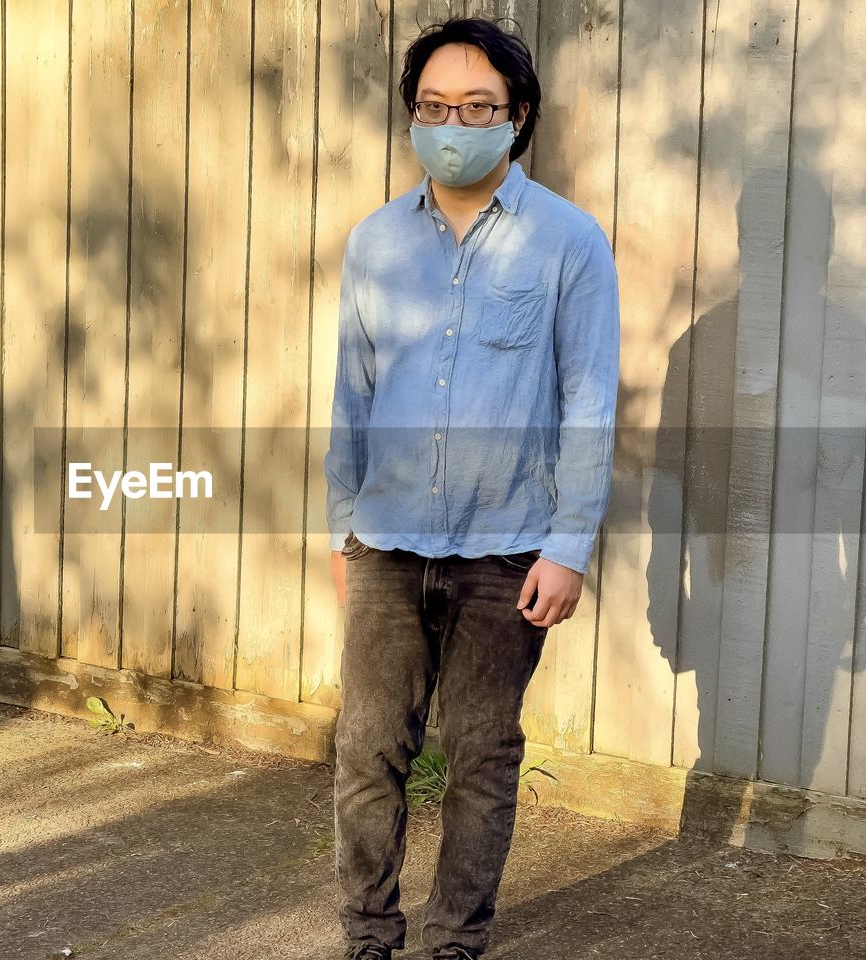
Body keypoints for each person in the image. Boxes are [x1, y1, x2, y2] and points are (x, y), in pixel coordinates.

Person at [324, 17, 620, 960]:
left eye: (478, 107)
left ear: (517, 116)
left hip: (509, 548)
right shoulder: (374, 243)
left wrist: (569, 545)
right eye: (435, 107)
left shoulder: (569, 242)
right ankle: (368, 937)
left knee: (482, 761)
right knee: (368, 754)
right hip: (387, 540)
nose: (454, 123)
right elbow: (351, 397)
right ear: (413, 117)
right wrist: (342, 531)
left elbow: (589, 399)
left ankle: (456, 942)